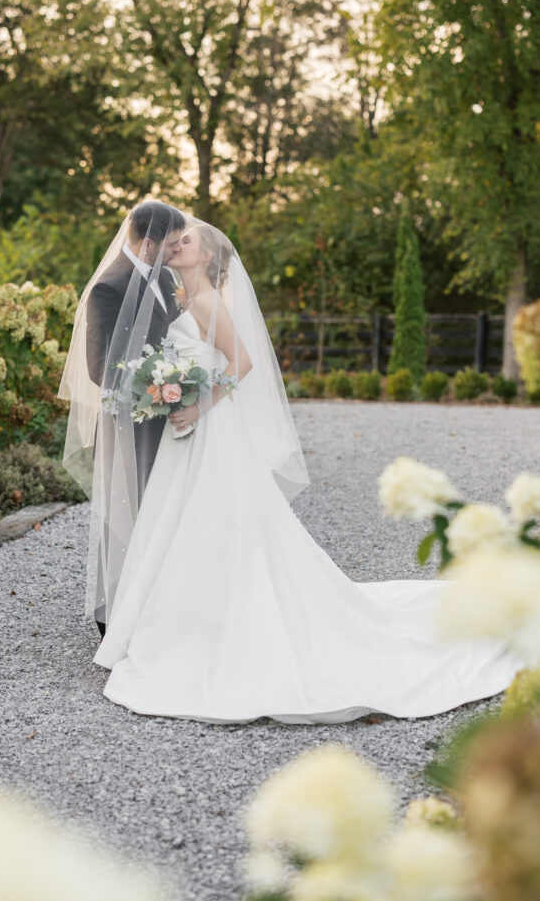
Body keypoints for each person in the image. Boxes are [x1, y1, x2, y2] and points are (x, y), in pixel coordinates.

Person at [87, 213, 523, 725]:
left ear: (206, 256)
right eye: (175, 240)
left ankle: (220, 620)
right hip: (186, 432)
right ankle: (184, 615)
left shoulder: (204, 299)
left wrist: (195, 404)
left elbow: (242, 363)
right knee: (185, 520)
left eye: (187, 242)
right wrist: (171, 393)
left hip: (206, 428)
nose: (178, 246)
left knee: (215, 517)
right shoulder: (178, 293)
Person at [58, 200, 185, 638]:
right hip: (132, 422)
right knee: (125, 511)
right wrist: (161, 387)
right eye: (170, 245)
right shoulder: (108, 288)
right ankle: (112, 616)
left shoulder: (166, 279)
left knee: (164, 510)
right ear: (148, 243)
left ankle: (158, 606)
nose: (175, 253)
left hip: (169, 419)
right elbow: (100, 368)